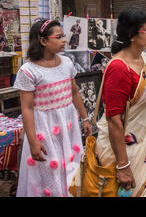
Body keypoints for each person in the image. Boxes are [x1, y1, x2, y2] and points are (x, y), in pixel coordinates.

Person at [94, 7, 146, 197]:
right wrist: (123, 166)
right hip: (127, 156)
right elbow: (113, 120)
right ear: (131, 35)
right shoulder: (119, 69)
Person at [13, 19, 92, 197]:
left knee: (71, 167)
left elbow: (74, 93)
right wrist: (33, 142)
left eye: (64, 35)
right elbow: (26, 108)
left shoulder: (67, 63)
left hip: (68, 126)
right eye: (59, 36)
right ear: (43, 41)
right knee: (49, 172)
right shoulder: (28, 71)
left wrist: (85, 118)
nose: (64, 39)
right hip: (44, 129)